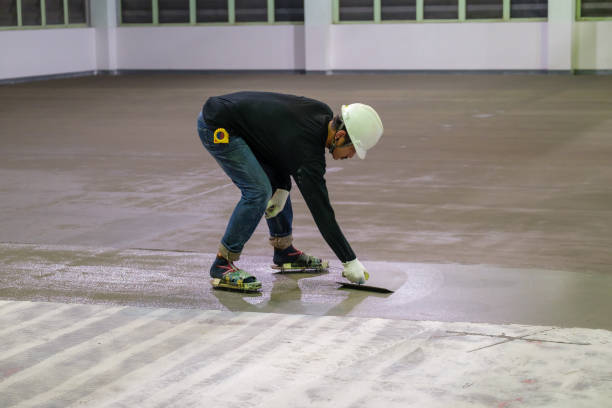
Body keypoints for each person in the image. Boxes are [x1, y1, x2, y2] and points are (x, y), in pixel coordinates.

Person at [197, 91, 383, 292]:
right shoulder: (308, 151)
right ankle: (222, 263)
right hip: (220, 125)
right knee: (259, 191)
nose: (352, 155)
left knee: (278, 188)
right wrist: (349, 260)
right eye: (353, 148)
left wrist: (283, 185)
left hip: (247, 128)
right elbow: (322, 212)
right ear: (340, 136)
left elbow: (280, 148)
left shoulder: (321, 114)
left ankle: (284, 251)